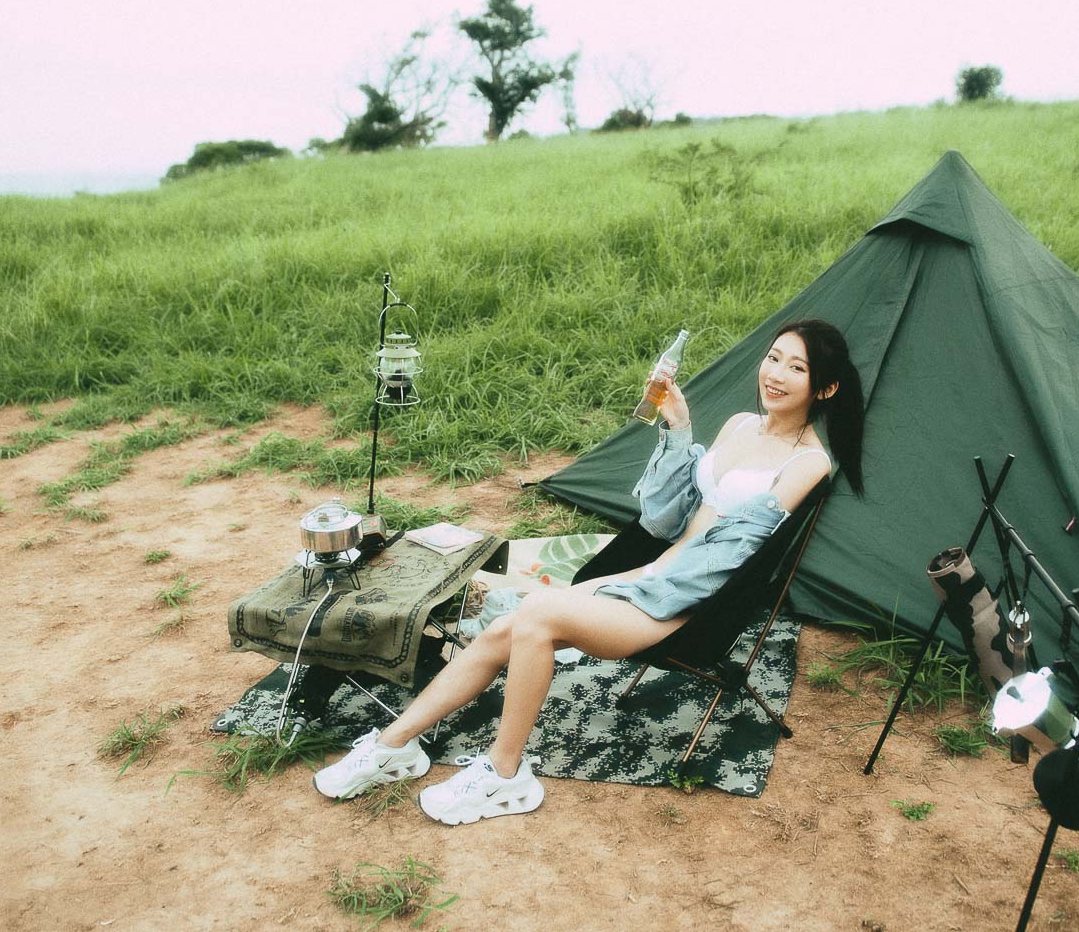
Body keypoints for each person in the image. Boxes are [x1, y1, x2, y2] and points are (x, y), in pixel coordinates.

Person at [313, 318, 866, 825]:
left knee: (536, 616)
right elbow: (668, 518)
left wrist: (639, 582)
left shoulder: (808, 463)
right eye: (773, 358)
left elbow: (731, 558)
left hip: (686, 608)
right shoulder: (741, 424)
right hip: (654, 572)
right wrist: (679, 429)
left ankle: (505, 774)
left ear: (826, 389)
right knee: (509, 626)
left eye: (797, 368)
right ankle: (393, 745)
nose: (776, 374)